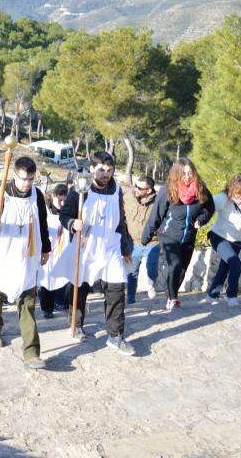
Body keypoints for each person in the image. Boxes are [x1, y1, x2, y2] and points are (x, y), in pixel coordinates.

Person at [0, 156, 51, 370]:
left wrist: (45, 247)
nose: (26, 183)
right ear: (14, 176)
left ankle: (31, 352)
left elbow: (42, 223)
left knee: (28, 302)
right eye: (23, 179)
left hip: (27, 255)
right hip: (2, 255)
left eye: (30, 179)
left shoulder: (36, 195)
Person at [61, 152, 135, 356]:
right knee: (80, 286)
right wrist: (72, 223)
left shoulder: (117, 190)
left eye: (109, 170)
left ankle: (115, 336)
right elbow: (65, 214)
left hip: (111, 246)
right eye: (101, 169)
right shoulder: (80, 188)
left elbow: (120, 219)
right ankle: (76, 324)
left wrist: (125, 248)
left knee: (116, 289)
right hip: (86, 246)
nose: (106, 174)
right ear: (92, 168)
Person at [141, 158, 215, 311]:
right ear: (177, 174)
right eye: (184, 173)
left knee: (182, 268)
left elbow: (209, 208)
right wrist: (146, 236)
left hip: (188, 236)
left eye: (190, 173)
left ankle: (170, 294)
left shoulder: (201, 189)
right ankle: (173, 299)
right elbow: (156, 214)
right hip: (168, 235)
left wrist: (201, 220)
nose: (188, 176)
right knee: (174, 264)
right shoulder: (168, 190)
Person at [204, 174, 241, 306]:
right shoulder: (222, 198)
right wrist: (200, 220)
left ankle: (212, 295)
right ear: (231, 190)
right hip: (219, 236)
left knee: (225, 267)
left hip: (238, 239)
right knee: (236, 264)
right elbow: (207, 208)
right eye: (239, 194)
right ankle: (231, 295)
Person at [124, 176, 161, 304]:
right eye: (135, 185)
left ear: (149, 190)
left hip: (153, 243)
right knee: (132, 272)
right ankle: (130, 299)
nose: (136, 189)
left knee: (152, 269)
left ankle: (151, 285)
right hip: (133, 243)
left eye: (139, 188)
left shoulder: (158, 202)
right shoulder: (127, 197)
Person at [37, 184, 71, 319]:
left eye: (64, 200)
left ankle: (66, 306)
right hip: (49, 251)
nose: (62, 204)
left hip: (64, 251)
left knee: (66, 280)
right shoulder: (46, 210)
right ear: (53, 197)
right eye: (59, 200)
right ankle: (47, 308)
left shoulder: (69, 211)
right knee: (47, 280)